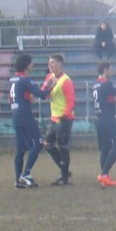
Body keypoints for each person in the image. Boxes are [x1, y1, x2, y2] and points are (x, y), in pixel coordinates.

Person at [9, 54, 52, 188]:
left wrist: (27, 97)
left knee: (21, 149)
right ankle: (26, 174)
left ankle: (18, 180)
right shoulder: (24, 79)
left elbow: (14, 97)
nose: (32, 65)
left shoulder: (13, 79)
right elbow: (41, 94)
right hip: (25, 115)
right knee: (38, 143)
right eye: (31, 63)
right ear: (27, 65)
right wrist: (50, 86)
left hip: (15, 115)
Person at [92, 61, 116, 187]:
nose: (112, 71)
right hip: (108, 118)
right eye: (111, 69)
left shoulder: (96, 84)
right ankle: (104, 174)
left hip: (100, 118)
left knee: (105, 148)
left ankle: (104, 177)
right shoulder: (106, 83)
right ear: (106, 69)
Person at [42, 53, 75, 186]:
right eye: (49, 63)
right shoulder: (49, 77)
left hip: (64, 118)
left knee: (63, 147)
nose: (50, 65)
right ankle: (64, 171)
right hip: (54, 118)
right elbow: (44, 94)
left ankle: (64, 177)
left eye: (53, 63)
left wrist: (64, 116)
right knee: (47, 144)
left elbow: (71, 101)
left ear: (60, 64)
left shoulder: (66, 81)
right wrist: (48, 86)